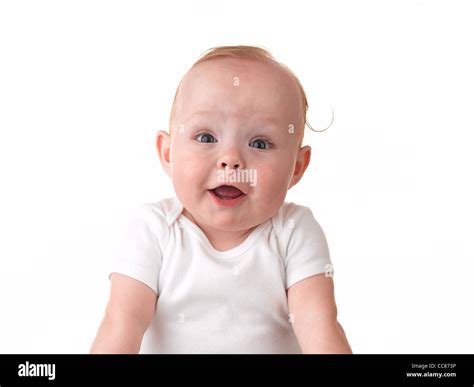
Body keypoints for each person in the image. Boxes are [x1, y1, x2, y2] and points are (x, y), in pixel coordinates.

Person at [90, 45, 352, 354]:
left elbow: (317, 323)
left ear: (296, 167)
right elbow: (122, 323)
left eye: (260, 143)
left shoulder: (294, 231)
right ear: (168, 153)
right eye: (206, 138)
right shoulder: (153, 230)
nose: (230, 160)